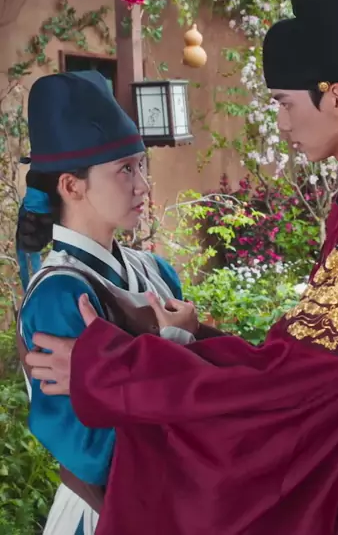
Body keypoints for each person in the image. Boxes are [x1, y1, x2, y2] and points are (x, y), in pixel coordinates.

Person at [25, 0, 338, 535]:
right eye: (124, 170)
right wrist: (193, 341)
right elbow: (303, 363)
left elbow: (288, 384)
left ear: (337, 98)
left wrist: (110, 371)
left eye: (285, 103)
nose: (281, 125)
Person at [16, 70, 199, 535]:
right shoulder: (59, 295)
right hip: (108, 512)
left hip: (175, 499)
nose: (143, 185)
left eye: (141, 166)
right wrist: (179, 354)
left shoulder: (156, 272)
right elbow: (92, 453)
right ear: (71, 186)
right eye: (125, 170)